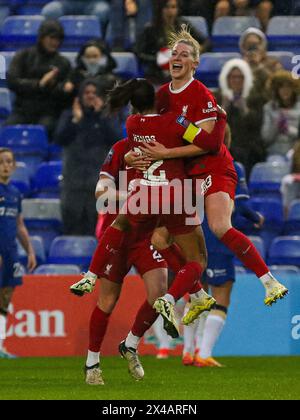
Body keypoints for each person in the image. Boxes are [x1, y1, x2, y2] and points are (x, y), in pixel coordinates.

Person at [137, 25, 288, 306]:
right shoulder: (161, 97)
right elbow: (152, 133)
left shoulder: (202, 96)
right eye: (173, 53)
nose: (177, 57)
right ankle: (197, 293)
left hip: (214, 167)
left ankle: (269, 281)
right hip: (185, 174)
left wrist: (172, 140)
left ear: (195, 63)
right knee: (158, 238)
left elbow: (207, 144)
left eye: (184, 54)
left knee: (219, 226)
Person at [71, 78, 223, 338]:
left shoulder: (131, 126)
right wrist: (217, 118)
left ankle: (91, 275)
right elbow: (206, 143)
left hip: (145, 200)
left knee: (124, 226)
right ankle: (188, 295)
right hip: (177, 196)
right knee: (195, 258)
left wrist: (132, 162)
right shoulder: (174, 121)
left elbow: (111, 178)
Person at [73, 138, 170, 385]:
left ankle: (130, 344)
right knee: (107, 300)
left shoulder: (167, 145)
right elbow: (100, 191)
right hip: (118, 232)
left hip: (147, 235)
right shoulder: (120, 148)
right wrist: (135, 196)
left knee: (159, 294)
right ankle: (92, 363)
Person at [183, 126, 265, 368]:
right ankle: (204, 353)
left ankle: (187, 351)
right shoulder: (231, 166)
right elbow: (240, 207)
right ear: (226, 139)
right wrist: (256, 218)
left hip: (193, 237)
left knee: (196, 295)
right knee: (221, 296)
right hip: (217, 239)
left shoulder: (190, 167)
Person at [54, 79, 121, 235]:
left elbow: (116, 139)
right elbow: (59, 139)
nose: (90, 96)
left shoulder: (107, 117)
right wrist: (75, 121)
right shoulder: (69, 115)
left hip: (98, 184)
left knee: (98, 231)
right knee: (71, 228)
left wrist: (101, 115)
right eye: (87, 92)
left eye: (94, 93)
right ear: (80, 96)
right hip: (72, 183)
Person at [6, 20, 71, 139]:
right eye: (51, 38)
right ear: (42, 37)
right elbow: (12, 81)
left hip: (49, 112)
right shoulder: (23, 56)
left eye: (58, 39)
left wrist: (54, 85)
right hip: (22, 110)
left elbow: (66, 92)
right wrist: (39, 84)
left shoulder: (63, 63)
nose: (55, 42)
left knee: (45, 130)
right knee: (9, 131)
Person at [0, 148, 37, 359]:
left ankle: (1, 346)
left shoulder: (15, 193)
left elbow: (19, 224)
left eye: (9, 162)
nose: (5, 165)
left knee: (5, 298)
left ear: (13, 166)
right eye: (2, 162)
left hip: (10, 252)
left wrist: (29, 250)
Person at [135, 0, 209, 85]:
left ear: (177, 9)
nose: (170, 11)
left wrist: (197, 50)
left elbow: (206, 41)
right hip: (158, 72)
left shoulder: (183, 25)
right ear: (160, 9)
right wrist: (157, 59)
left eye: (173, 7)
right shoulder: (150, 29)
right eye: (166, 7)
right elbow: (138, 52)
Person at [216, 58, 265, 176]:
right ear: (227, 79)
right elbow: (210, 125)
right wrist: (223, 108)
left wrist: (245, 110)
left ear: (246, 79)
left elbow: (258, 124)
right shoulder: (218, 97)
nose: (236, 80)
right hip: (224, 145)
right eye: (233, 77)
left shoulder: (255, 98)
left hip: (249, 146)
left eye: (240, 77)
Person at [261, 70, 300, 157]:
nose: (285, 90)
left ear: (294, 89)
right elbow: (266, 138)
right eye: (281, 87)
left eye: (288, 87)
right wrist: (276, 125)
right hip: (274, 154)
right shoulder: (269, 108)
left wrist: (288, 130)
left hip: (297, 153)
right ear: (276, 90)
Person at [42, 0, 111, 31]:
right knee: (50, 11)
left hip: (93, 2)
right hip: (66, 2)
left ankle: (98, 44)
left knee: (101, 11)